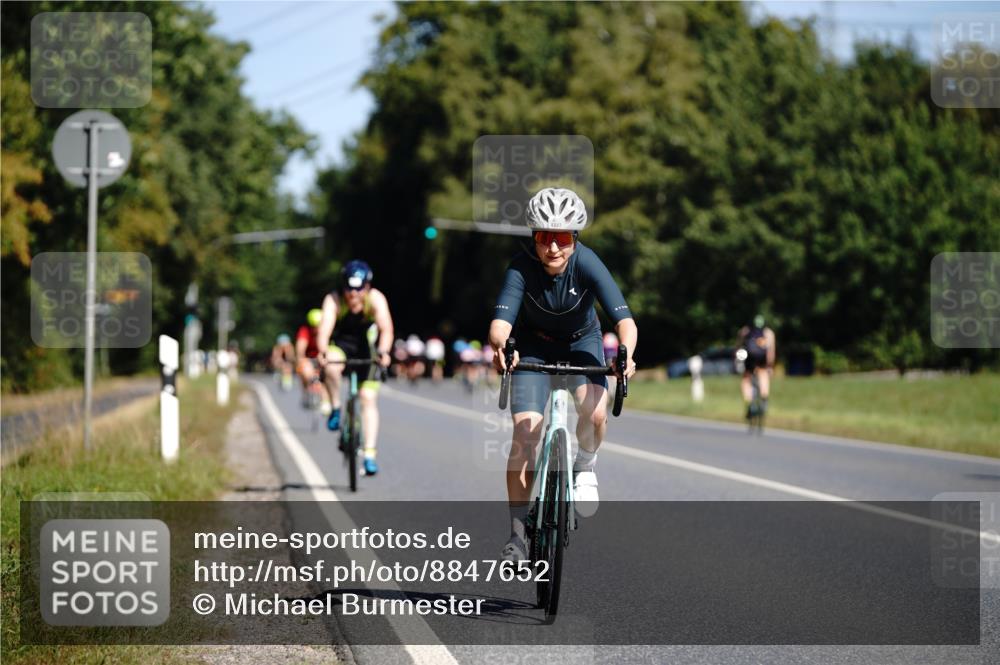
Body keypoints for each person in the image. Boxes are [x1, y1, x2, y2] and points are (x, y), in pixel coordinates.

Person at [488, 187, 637, 562]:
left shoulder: (587, 262)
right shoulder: (521, 268)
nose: (553, 247)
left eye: (563, 238)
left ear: (575, 238)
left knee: (596, 412)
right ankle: (518, 536)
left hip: (580, 343)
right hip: (533, 349)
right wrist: (503, 348)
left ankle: (584, 464)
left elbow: (625, 321)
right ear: (533, 238)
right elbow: (500, 323)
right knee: (525, 433)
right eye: (544, 237)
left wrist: (625, 356)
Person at [316, 260, 395, 476]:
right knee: (331, 367)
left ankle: (369, 454)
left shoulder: (376, 299)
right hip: (342, 346)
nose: (353, 295)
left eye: (358, 289)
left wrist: (384, 351)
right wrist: (322, 352)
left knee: (368, 398)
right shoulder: (333, 300)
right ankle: (335, 407)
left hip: (367, 351)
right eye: (349, 289)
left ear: (367, 287)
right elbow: (324, 331)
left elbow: (386, 329)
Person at [737, 314, 776, 417]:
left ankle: (749, 403)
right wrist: (770, 366)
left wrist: (738, 360)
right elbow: (771, 352)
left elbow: (739, 348)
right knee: (763, 374)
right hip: (762, 358)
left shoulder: (745, 331)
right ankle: (764, 398)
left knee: (746, 378)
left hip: (749, 357)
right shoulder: (769, 333)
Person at [296, 309, 330, 413]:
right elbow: (300, 348)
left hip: (323, 358)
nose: (316, 328)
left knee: (327, 376)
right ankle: (306, 389)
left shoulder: (327, 329)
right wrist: (301, 359)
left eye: (318, 325)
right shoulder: (305, 331)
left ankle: (326, 401)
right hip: (309, 358)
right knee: (305, 371)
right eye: (314, 326)